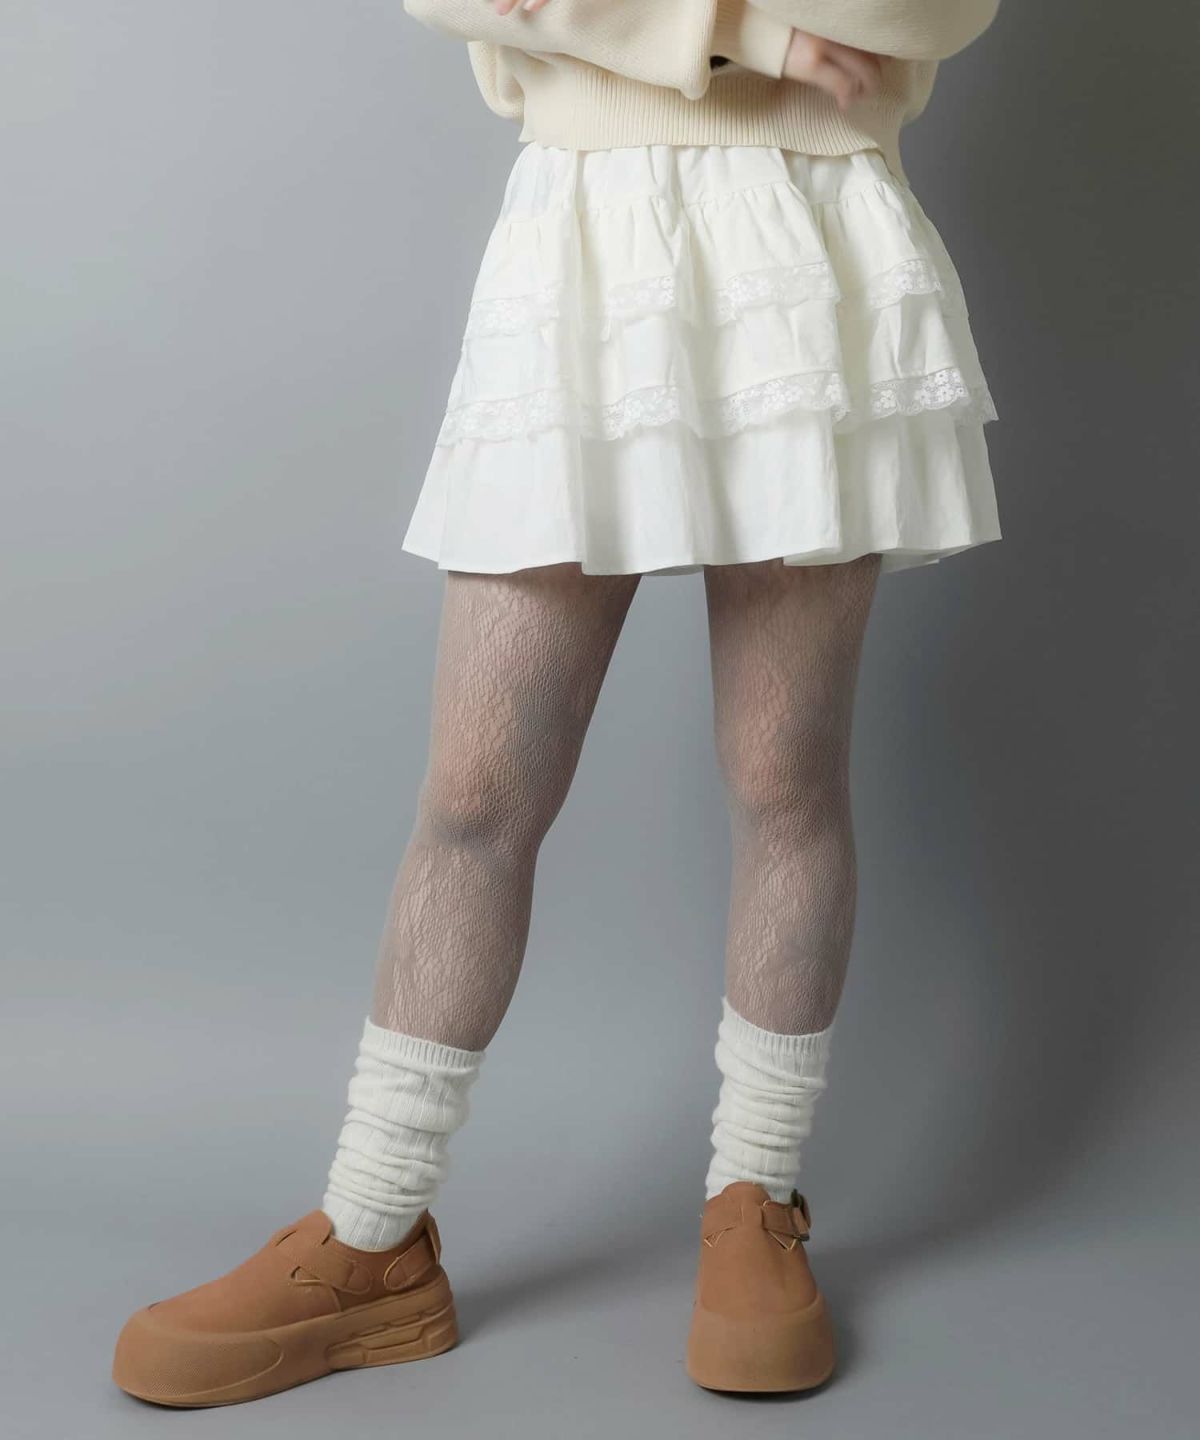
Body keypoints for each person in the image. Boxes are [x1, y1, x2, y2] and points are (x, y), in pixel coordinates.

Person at [112, 0, 1002, 1406]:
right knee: (479, 791)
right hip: (588, 237)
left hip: (814, 236)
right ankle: (372, 1231)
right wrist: (750, 30)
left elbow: (919, 13)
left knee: (785, 771)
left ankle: (755, 1198)